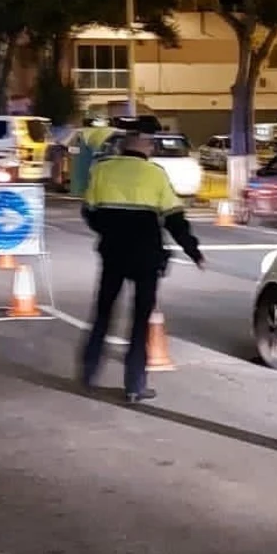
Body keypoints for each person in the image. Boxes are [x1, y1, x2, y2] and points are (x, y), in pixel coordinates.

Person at [79, 132, 205, 403]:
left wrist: (109, 231)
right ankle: (135, 386)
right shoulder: (155, 174)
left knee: (103, 313)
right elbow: (175, 219)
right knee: (139, 321)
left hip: (113, 254)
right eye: (148, 143)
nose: (151, 147)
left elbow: (88, 211)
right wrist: (193, 251)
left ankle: (88, 374)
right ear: (141, 148)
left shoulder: (102, 170)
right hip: (146, 257)